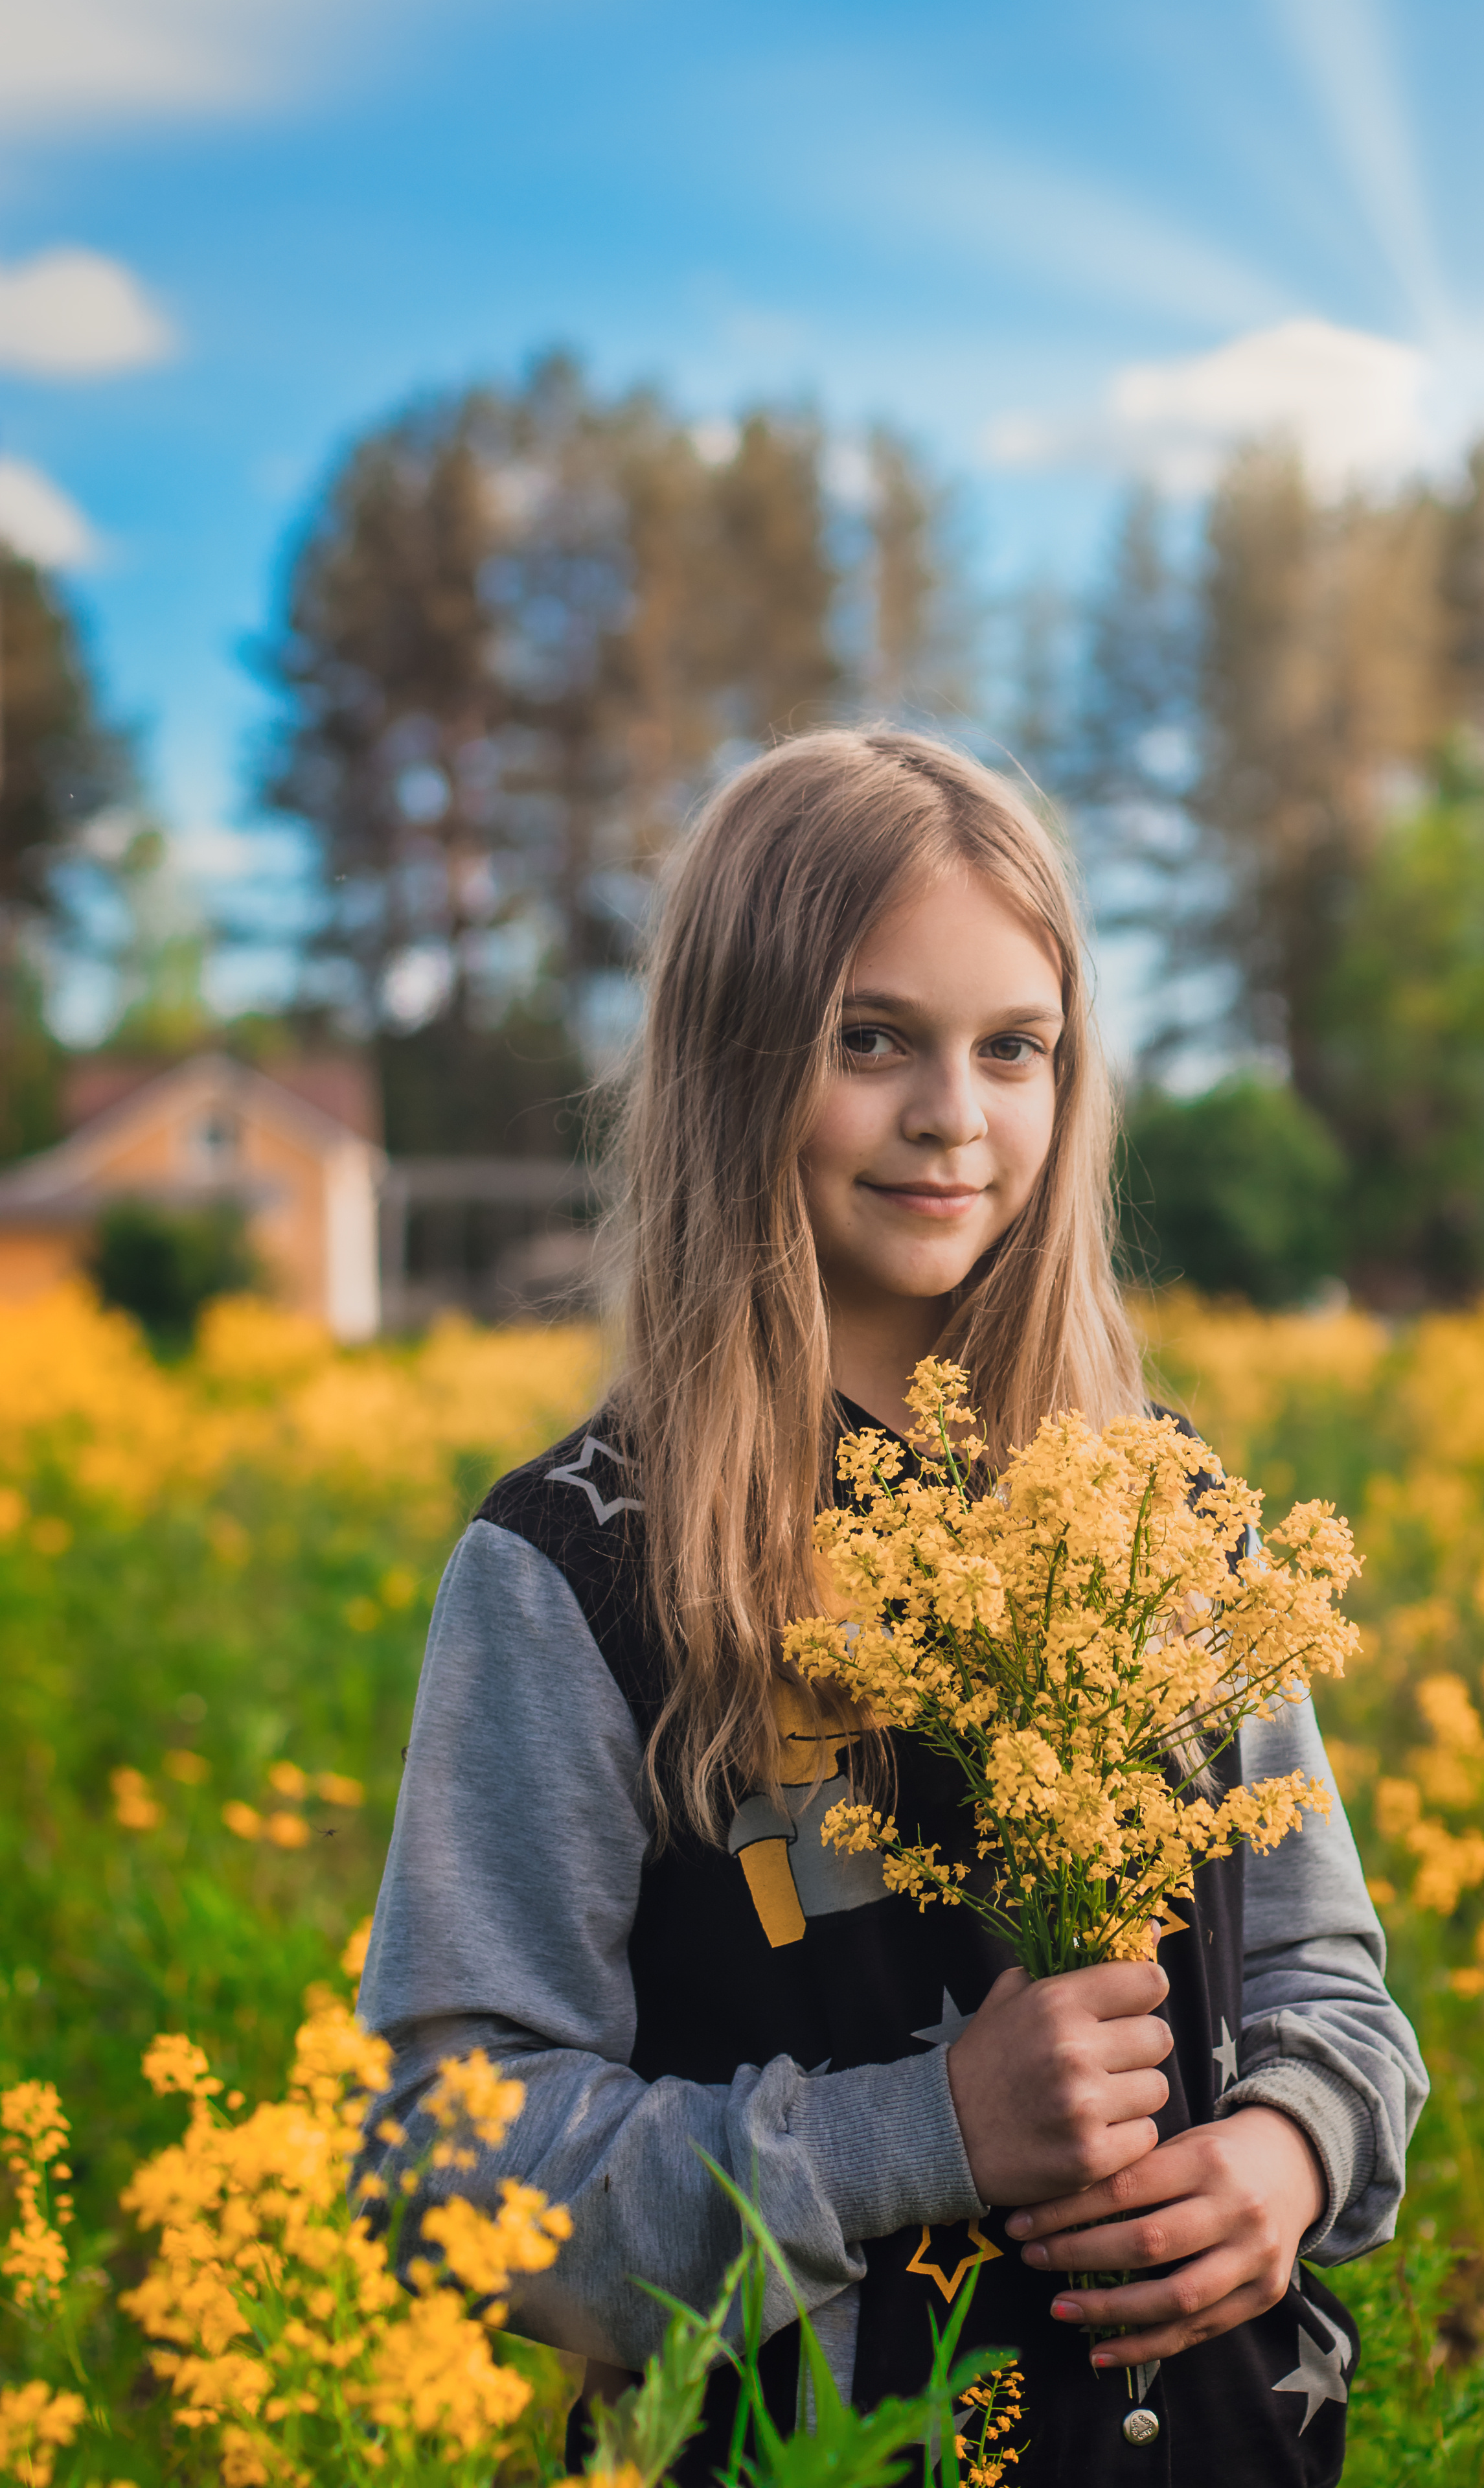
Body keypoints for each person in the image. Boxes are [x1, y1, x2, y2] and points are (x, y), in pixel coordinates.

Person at [356, 727, 1427, 2486]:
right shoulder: (579, 1568)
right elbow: (442, 2168)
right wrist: (920, 2131)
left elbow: (1326, 1978)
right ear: (734, 1058)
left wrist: (1293, 2157)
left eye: (1017, 1049)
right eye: (875, 1041)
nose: (956, 1116)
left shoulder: (1162, 1503)